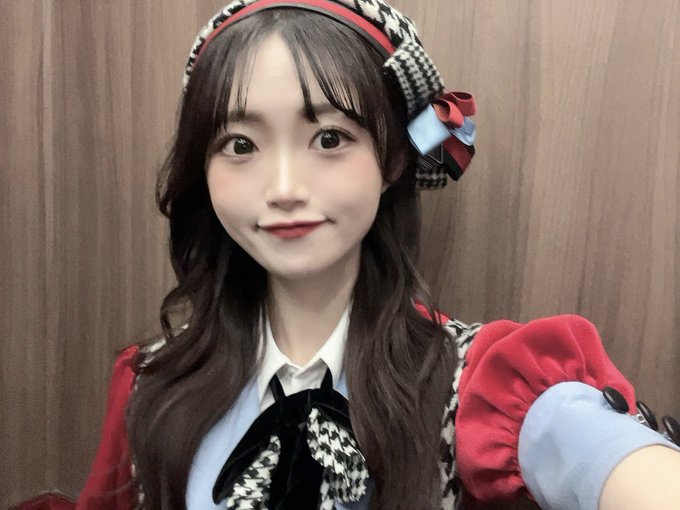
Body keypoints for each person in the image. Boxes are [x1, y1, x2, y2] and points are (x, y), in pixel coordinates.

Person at [76, 1, 680, 509]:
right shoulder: (151, 383)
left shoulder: (478, 386)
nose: (283, 188)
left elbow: (588, 446)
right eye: (240, 145)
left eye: (329, 138)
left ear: (392, 159)